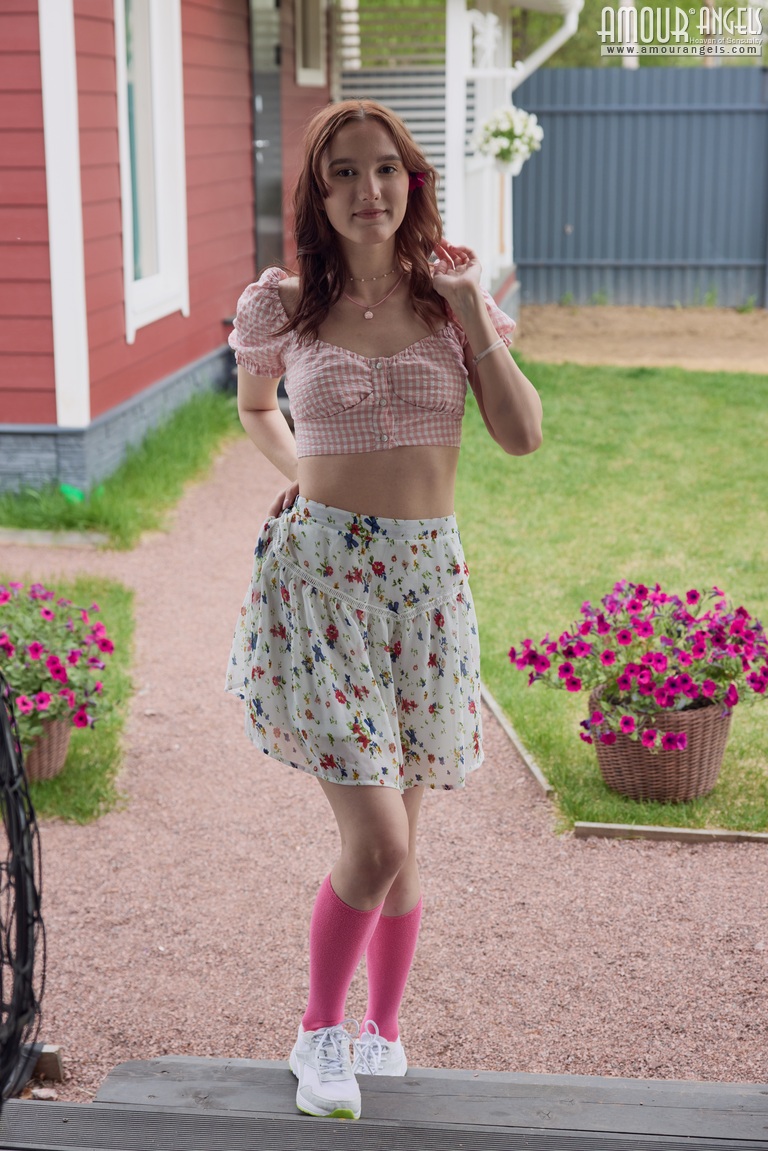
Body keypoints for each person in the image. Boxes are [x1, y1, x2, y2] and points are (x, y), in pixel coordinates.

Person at [225, 99, 542, 1121]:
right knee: (377, 841)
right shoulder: (282, 306)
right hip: (320, 587)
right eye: (346, 172)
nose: (371, 189)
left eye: (387, 169)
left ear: (413, 181)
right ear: (318, 196)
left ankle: (383, 1029)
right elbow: (256, 406)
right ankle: (319, 1031)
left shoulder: (452, 298)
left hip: (425, 589)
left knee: (405, 836)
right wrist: (303, 474)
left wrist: (473, 310)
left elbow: (523, 435)